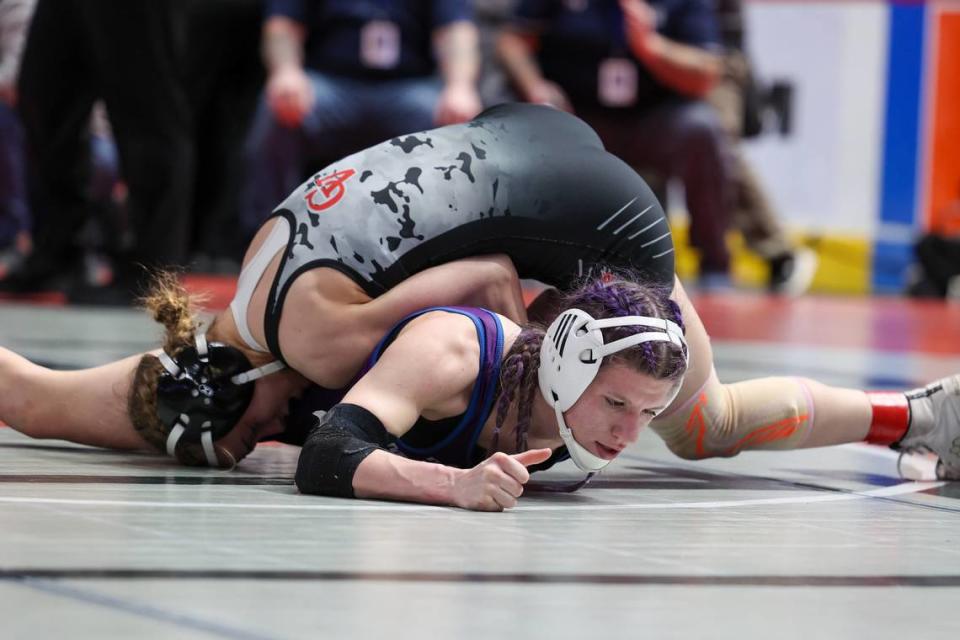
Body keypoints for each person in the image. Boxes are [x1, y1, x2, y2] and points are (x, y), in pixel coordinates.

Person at [2, 103, 959, 492]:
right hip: (531, 143)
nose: (250, 442)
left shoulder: (326, 346)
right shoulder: (255, 309)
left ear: (247, 382)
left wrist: (534, 385)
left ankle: (914, 418)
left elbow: (493, 279)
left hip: (597, 225)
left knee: (693, 421)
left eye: (240, 431)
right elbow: (39, 400)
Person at [497, 0, 735, 288]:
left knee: (701, 128)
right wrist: (535, 86)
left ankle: (714, 264)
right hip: (577, 117)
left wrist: (652, 46)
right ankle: (525, 259)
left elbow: (706, 73)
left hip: (653, 118)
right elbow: (512, 42)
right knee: (523, 125)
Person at [241, 0, 484, 239]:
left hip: (406, 89)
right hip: (331, 85)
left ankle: (449, 238)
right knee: (278, 108)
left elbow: (456, 31)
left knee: (458, 125)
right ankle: (267, 234)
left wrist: (460, 86)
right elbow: (282, 25)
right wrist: (286, 71)